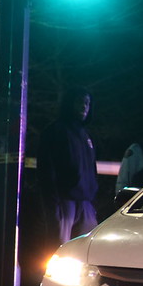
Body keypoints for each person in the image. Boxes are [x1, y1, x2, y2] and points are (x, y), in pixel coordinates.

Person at [37, 86, 99, 246]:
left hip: (85, 203)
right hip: (64, 202)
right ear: (69, 103)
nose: (84, 106)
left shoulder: (86, 135)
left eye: (87, 103)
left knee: (86, 253)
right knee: (59, 251)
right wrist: (53, 202)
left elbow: (91, 169)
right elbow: (46, 169)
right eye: (80, 101)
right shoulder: (55, 131)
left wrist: (91, 202)